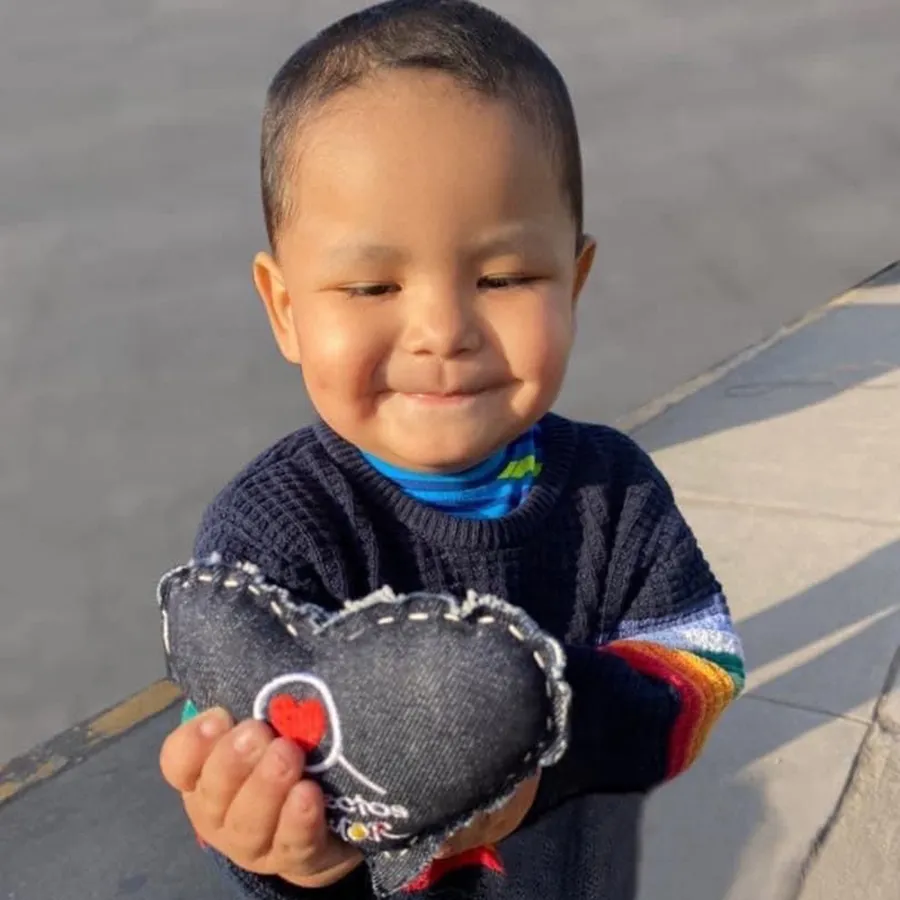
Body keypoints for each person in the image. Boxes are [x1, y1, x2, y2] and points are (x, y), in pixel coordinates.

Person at [158, 1, 745, 897]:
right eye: (371, 285)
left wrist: (542, 744)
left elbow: (703, 666)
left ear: (575, 281)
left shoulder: (614, 491)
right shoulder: (272, 537)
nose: (442, 330)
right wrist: (282, 849)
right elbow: (239, 744)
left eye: (504, 277)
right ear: (285, 308)